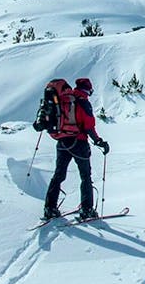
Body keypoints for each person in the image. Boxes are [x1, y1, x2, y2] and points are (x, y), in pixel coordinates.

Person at [41, 77, 109, 221]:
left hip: (62, 142)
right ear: (88, 89)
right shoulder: (83, 102)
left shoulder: (64, 99)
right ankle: (87, 210)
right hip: (79, 143)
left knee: (58, 175)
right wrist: (99, 141)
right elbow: (89, 126)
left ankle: (50, 208)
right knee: (85, 176)